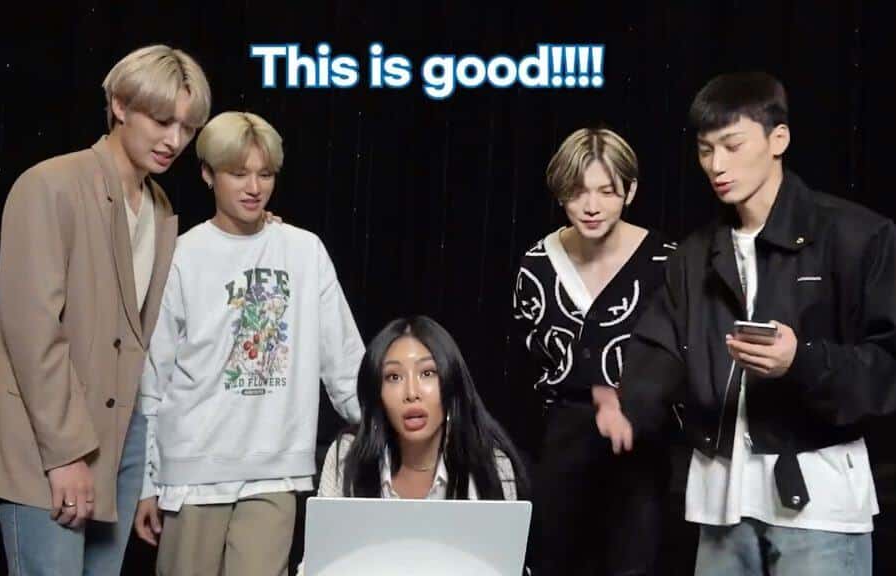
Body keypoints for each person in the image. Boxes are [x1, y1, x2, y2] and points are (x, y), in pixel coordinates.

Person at [596, 71, 896, 576]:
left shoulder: (858, 236)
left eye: (732, 145)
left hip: (819, 507)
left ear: (779, 139)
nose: (717, 165)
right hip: (720, 508)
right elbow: (659, 350)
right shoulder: (694, 256)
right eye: (706, 150)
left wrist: (802, 361)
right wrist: (627, 405)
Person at [0, 45, 211, 575]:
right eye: (162, 121)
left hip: (122, 436)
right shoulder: (50, 185)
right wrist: (65, 454)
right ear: (119, 105)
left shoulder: (159, 208)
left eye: (188, 127)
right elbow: (32, 331)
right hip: (46, 437)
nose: (174, 140)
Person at [132, 111, 364, 576]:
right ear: (208, 174)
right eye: (238, 174)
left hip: (275, 467)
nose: (254, 188)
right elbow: (153, 376)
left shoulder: (304, 251)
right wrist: (145, 483)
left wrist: (385, 428)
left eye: (265, 174)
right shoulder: (182, 254)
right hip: (193, 469)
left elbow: (344, 360)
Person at [511, 127, 673, 575]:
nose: (592, 206)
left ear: (630, 191)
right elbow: (529, 368)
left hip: (640, 451)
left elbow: (679, 363)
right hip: (561, 454)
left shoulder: (667, 262)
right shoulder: (537, 264)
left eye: (607, 191)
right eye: (578, 191)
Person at [318, 315, 529, 501]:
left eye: (427, 373)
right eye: (394, 377)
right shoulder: (347, 456)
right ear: (377, 392)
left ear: (451, 382)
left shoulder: (491, 465)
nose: (412, 393)